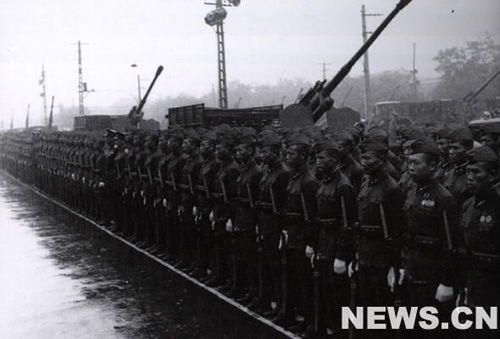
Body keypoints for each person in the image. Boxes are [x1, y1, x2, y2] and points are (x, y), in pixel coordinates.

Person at [402, 138, 459, 339]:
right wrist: (403, 265)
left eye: (416, 163)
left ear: (433, 166)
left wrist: (447, 282)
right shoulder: (412, 193)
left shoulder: (444, 198)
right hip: (413, 269)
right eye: (409, 162)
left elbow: (451, 245)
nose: (410, 167)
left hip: (433, 274)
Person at [353, 140, 405, 339]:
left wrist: (394, 264)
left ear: (382, 159)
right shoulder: (367, 182)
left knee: (381, 305)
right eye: (362, 157)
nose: (364, 162)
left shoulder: (391, 188)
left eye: (369, 158)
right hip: (366, 253)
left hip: (382, 256)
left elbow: (396, 230)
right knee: (366, 303)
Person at [459, 146, 499, 339]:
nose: (470, 177)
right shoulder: (468, 205)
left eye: (476, 172)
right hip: (472, 285)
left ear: (493, 175)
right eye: (467, 172)